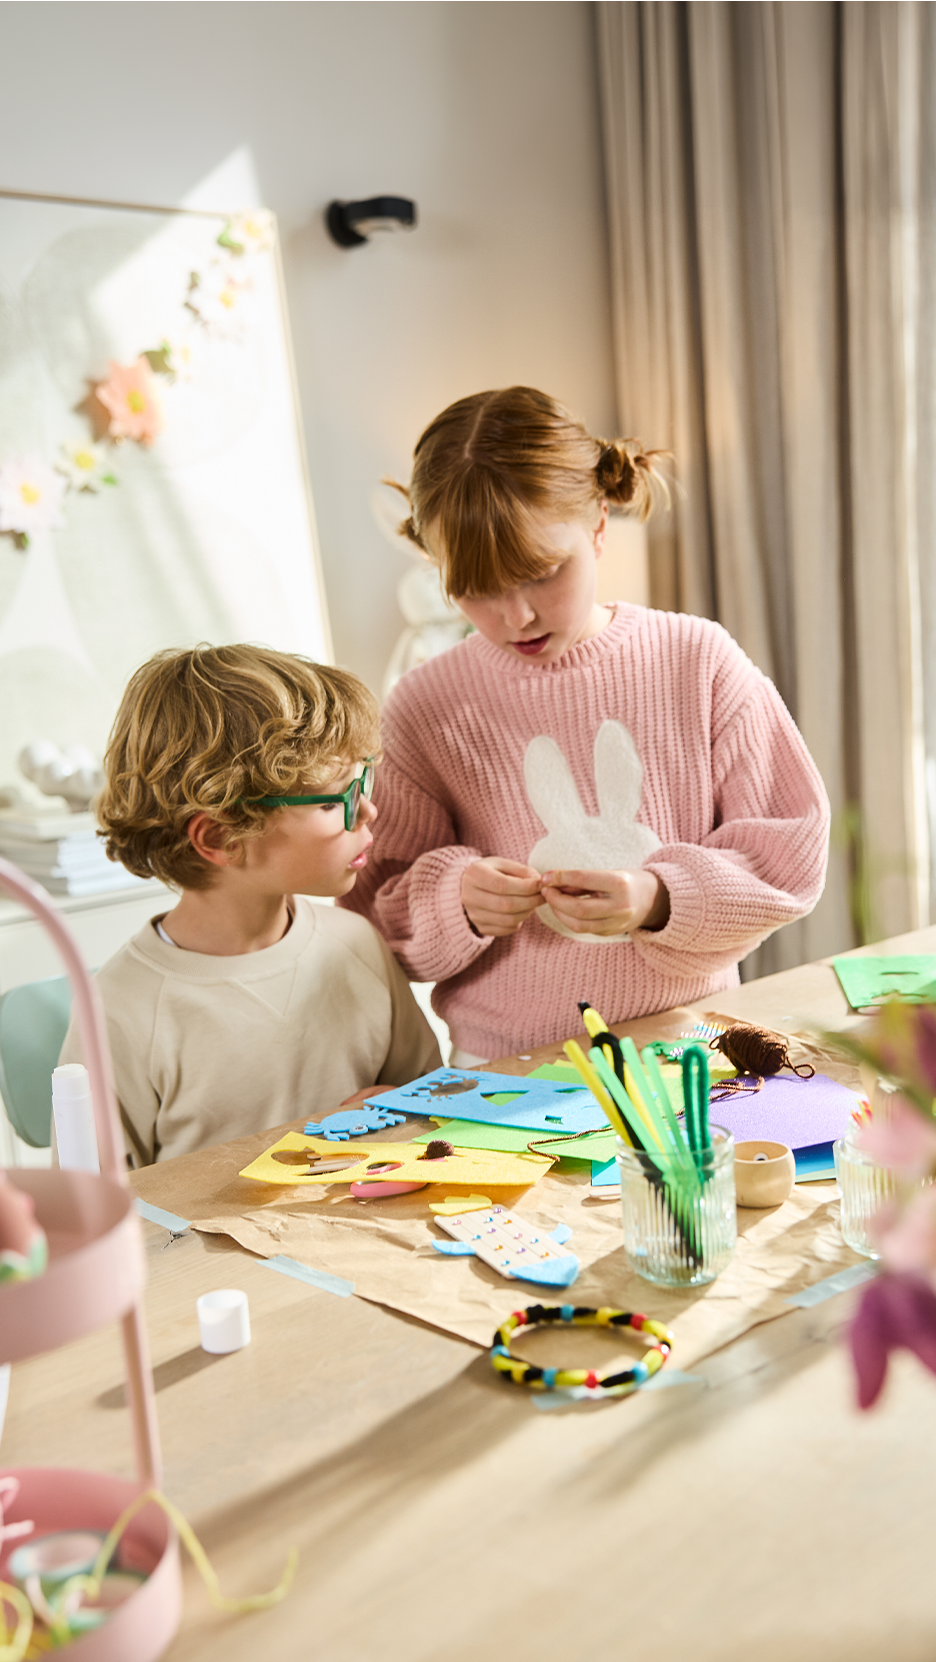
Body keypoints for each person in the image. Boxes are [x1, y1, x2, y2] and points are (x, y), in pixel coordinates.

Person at [341, 386, 831, 1064]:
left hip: (693, 1047)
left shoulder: (697, 659)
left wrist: (660, 897)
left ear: (600, 523)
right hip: (508, 1077)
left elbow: (789, 855)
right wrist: (457, 902)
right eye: (475, 589)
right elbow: (369, 916)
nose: (517, 616)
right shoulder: (425, 706)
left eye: (543, 573)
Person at [59, 645, 441, 1166]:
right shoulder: (120, 1008)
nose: (369, 810)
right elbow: (92, 1202)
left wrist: (406, 1114)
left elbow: (440, 1106)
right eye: (333, 800)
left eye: (364, 780)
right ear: (221, 837)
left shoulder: (356, 944)